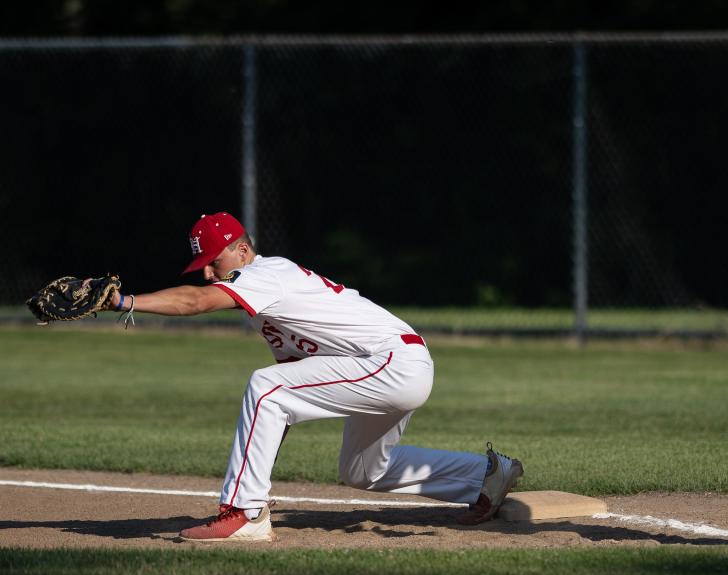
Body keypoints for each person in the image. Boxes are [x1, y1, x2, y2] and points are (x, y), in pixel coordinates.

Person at [110, 211, 523, 541]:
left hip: (389, 361)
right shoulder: (264, 300)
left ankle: (244, 513)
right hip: (391, 364)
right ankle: (484, 475)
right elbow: (288, 389)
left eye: (213, 262)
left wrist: (125, 301)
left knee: (264, 385)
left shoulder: (262, 276)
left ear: (240, 249)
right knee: (362, 470)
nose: (207, 273)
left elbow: (195, 302)